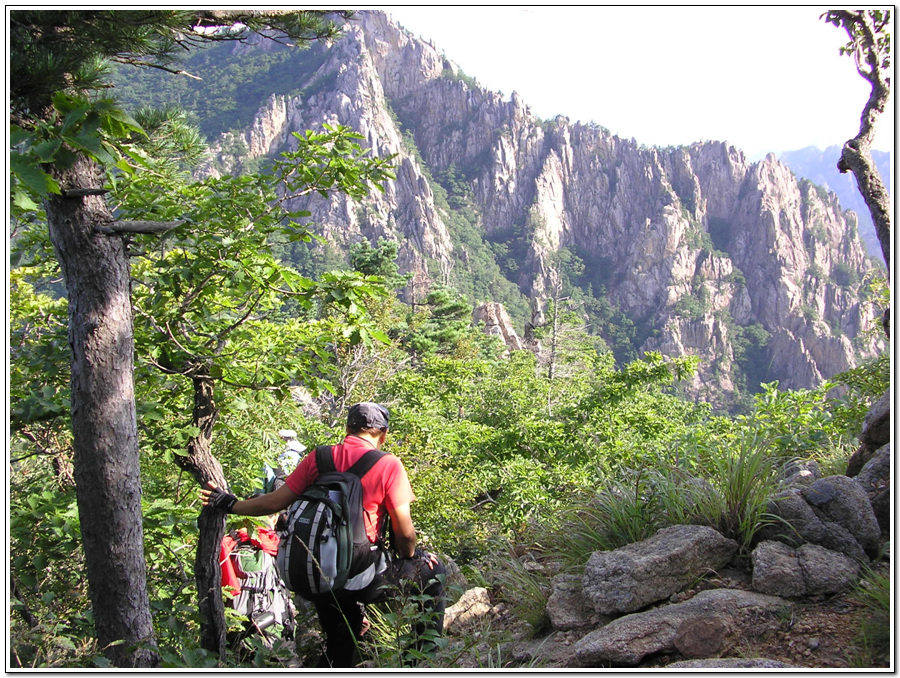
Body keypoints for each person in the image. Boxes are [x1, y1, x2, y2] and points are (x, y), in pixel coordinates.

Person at [201, 403, 445, 668]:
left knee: (340, 640)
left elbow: (274, 502)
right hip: (362, 578)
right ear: (382, 434)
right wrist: (411, 556)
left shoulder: (319, 458)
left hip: (319, 574)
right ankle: (418, 659)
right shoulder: (388, 465)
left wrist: (229, 503)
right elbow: (406, 534)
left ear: (347, 428)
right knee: (435, 572)